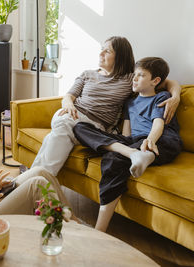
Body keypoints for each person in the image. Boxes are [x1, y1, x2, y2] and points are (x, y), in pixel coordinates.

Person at [30, 36, 181, 176]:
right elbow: (69, 96)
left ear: (120, 57)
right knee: (64, 124)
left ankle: (30, 180)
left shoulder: (129, 79)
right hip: (71, 115)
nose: (101, 53)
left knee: (55, 136)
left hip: (93, 126)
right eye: (101, 49)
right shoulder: (87, 74)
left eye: (107, 50)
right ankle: (37, 184)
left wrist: (175, 96)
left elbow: (167, 82)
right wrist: (69, 105)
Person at [73, 57, 183, 232]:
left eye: (141, 76)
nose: (135, 78)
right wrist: (123, 143)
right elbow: (126, 133)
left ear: (155, 81)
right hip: (134, 141)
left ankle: (145, 153)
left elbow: (158, 124)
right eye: (135, 75)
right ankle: (134, 154)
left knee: (125, 153)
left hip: (160, 138)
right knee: (80, 128)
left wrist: (150, 141)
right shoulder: (129, 102)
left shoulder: (162, 96)